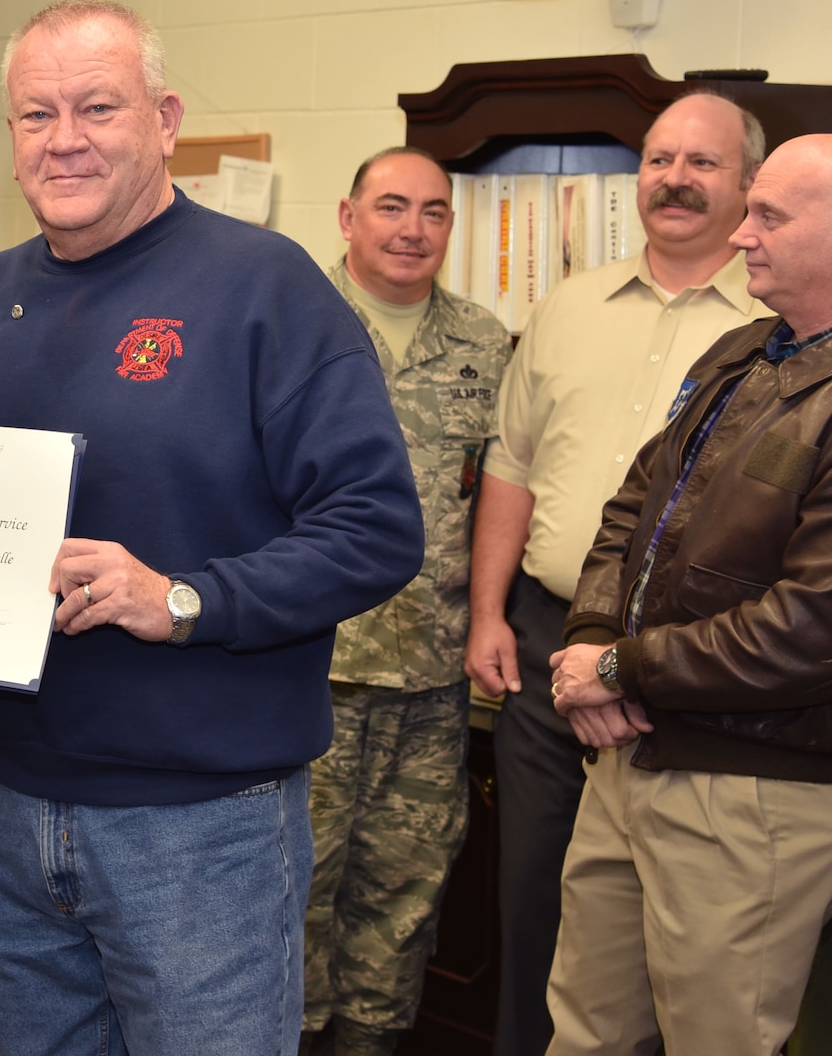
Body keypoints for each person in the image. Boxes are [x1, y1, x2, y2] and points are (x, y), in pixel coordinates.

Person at [0, 0, 425, 1053]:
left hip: (200, 825)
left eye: (95, 106)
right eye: (34, 114)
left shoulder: (263, 287)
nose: (62, 137)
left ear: (163, 121)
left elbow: (375, 526)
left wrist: (184, 599)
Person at [464, 91, 771, 1056]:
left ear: (750, 185)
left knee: (686, 943)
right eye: (658, 159)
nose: (675, 179)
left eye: (703, 163)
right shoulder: (564, 306)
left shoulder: (783, 324)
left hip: (699, 671)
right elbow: (510, 465)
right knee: (534, 902)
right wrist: (488, 614)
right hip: (548, 646)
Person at [542, 132, 832, 1054]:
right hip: (633, 755)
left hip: (758, 789)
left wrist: (619, 667)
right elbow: (634, 506)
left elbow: (816, 630)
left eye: (769, 215)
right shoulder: (743, 351)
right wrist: (598, 632)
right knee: (587, 1034)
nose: (739, 236)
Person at [303, 148, 512, 1056]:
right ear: (347, 216)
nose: (412, 229)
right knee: (292, 886)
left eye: (433, 212)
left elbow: (501, 488)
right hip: (306, 668)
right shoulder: (291, 323)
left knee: (404, 894)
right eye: (391, 207)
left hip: (431, 676)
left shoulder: (486, 343)